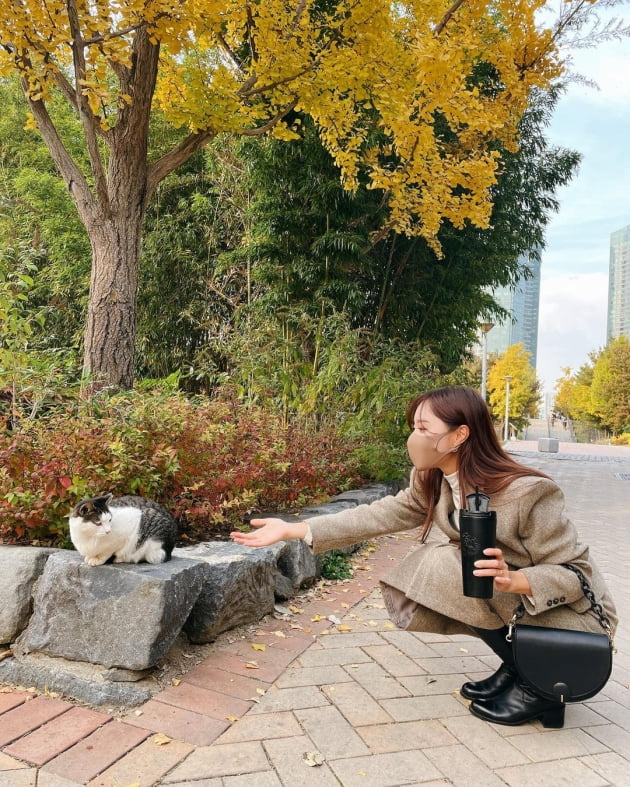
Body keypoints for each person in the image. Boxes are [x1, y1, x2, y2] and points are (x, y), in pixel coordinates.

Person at [231, 385, 617, 729]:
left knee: (449, 565)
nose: (414, 437)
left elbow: (573, 571)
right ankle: (520, 667)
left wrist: (519, 580)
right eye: (413, 427)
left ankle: (540, 688)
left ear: (459, 435)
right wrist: (295, 529)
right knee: (451, 566)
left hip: (572, 615)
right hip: (517, 601)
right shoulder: (433, 479)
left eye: (423, 428)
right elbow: (379, 513)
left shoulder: (529, 492)